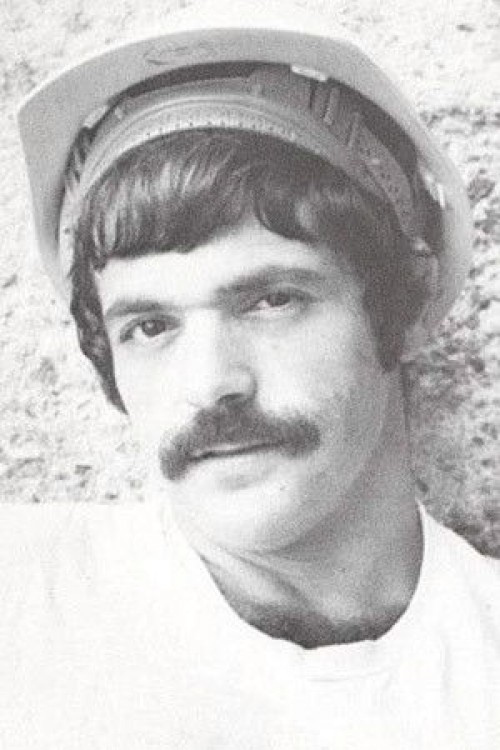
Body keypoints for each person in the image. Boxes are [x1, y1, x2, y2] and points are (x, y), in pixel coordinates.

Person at [3, 1, 499, 748]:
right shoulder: (22, 601)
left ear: (409, 302)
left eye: (273, 300)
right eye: (150, 327)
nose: (211, 383)